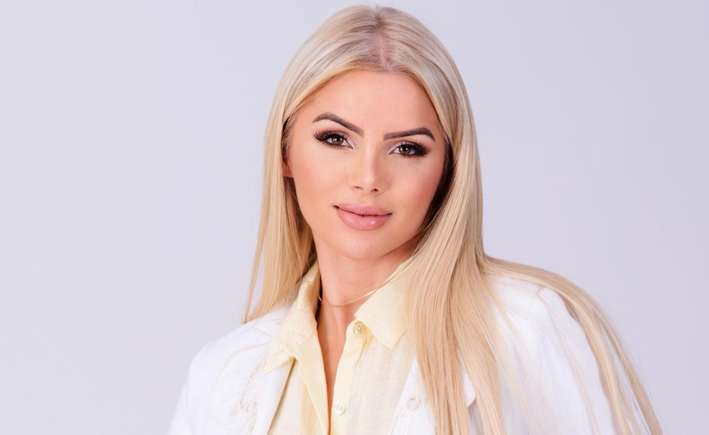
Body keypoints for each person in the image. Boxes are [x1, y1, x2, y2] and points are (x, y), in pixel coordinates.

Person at [168, 4, 661, 435]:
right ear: (284, 152)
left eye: (406, 148)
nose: (368, 178)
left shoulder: (524, 329)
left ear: (448, 168)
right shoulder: (222, 375)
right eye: (336, 139)